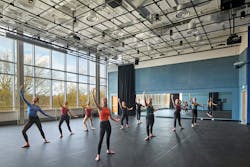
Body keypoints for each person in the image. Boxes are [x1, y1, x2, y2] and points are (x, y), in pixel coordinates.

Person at [91, 88, 120, 161]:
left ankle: (108, 150)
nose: (105, 101)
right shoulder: (100, 108)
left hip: (108, 124)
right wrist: (93, 94)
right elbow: (95, 102)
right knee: (100, 140)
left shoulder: (108, 109)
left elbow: (111, 117)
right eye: (104, 100)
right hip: (102, 124)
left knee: (108, 138)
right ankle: (98, 155)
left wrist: (116, 120)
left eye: (106, 100)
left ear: (107, 101)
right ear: (102, 102)